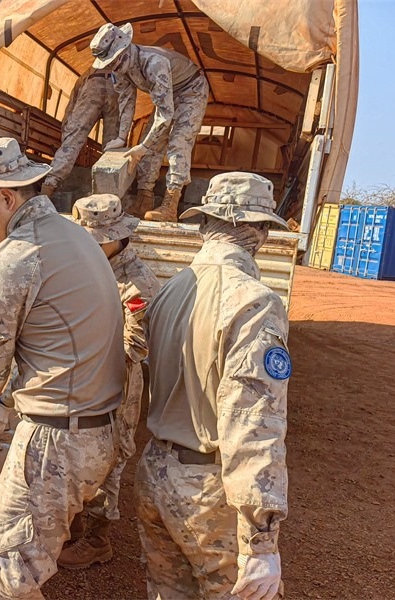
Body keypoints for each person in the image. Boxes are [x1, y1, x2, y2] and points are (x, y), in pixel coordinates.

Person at [0, 137, 125, 599]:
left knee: (2, 580)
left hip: (55, 441)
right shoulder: (75, 236)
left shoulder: (14, 258)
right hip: (93, 429)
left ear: (5, 197)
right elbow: (52, 339)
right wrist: (5, 406)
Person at [138, 172, 291, 600]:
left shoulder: (169, 291)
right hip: (209, 488)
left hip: (156, 471)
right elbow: (253, 422)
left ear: (205, 224)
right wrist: (261, 541)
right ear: (258, 231)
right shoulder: (254, 302)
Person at [58, 194, 161, 570]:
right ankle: (74, 523)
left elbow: (136, 345)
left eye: (97, 239)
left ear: (118, 237)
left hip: (115, 384)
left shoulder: (137, 283)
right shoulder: (88, 264)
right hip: (80, 380)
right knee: (74, 450)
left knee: (110, 458)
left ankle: (98, 539)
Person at [91, 22, 209, 222]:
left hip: (191, 90)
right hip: (167, 95)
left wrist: (143, 147)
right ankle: (144, 199)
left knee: (179, 142)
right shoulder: (118, 68)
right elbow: (126, 101)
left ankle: (170, 205)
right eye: (108, 63)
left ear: (125, 48)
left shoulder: (154, 63)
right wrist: (122, 137)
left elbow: (165, 114)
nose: (112, 66)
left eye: (114, 60)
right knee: (150, 142)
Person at [40, 66, 119, 197]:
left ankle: (49, 187)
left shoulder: (88, 72)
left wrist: (66, 133)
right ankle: (107, 192)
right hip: (117, 88)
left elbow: (70, 110)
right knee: (112, 146)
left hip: (93, 83)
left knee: (73, 139)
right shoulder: (123, 64)